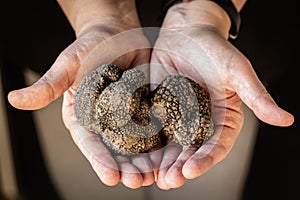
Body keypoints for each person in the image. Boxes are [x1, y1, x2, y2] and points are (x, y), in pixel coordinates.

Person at [7, 0, 294, 190]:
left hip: (238, 27)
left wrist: (204, 14)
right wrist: (100, 16)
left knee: (219, 181)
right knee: (70, 178)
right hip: (65, 23)